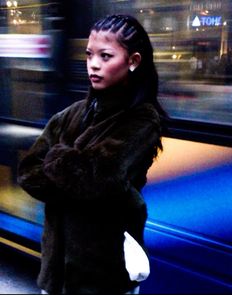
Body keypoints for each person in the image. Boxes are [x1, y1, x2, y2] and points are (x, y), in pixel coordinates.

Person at [17, 14, 167, 294]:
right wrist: (76, 172)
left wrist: (57, 156)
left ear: (133, 61)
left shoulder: (142, 120)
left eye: (106, 56)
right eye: (89, 55)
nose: (93, 64)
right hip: (55, 271)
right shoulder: (71, 113)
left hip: (104, 273)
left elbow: (96, 178)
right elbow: (27, 172)